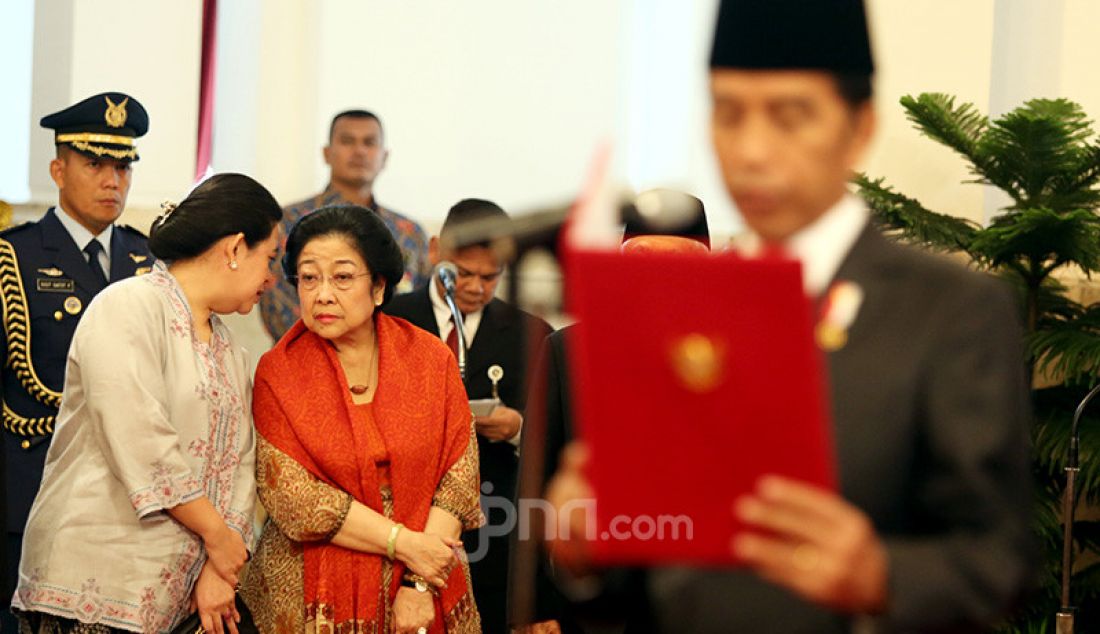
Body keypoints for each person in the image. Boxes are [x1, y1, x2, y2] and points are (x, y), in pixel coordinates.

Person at [543, 1, 1035, 632]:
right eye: (728, 114)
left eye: (789, 116)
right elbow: (649, 573)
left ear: (859, 128)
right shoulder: (674, 310)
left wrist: (880, 575)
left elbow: (1000, 561)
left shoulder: (948, 310)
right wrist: (585, 555)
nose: (751, 151)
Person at [11, 172, 282, 633]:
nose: (272, 278)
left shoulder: (228, 349)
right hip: (96, 581)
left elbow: (241, 463)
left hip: (185, 594)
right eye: (269, 257)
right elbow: (139, 437)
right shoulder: (126, 306)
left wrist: (222, 565)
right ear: (236, 249)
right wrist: (218, 536)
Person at [240, 205, 482, 633]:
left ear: (378, 287)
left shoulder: (430, 359)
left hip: (426, 579)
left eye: (343, 277)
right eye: (309, 277)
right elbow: (297, 501)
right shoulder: (278, 372)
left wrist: (420, 581)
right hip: (311, 592)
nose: (323, 294)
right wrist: (407, 546)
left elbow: (457, 480)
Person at [1, 92, 153, 632]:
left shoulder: (149, 261)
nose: (113, 180)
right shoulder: (13, 258)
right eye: (95, 164)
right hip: (31, 487)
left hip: (126, 499)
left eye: (123, 166)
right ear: (58, 170)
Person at [385, 198, 554, 634]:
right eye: (464, 273)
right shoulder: (388, 319)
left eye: (490, 276)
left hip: (492, 520)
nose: (477, 287)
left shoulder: (531, 334)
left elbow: (553, 430)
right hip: (400, 518)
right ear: (437, 250)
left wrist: (517, 427)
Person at [258, 109, 431, 341]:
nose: (359, 151)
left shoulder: (409, 233)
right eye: (347, 141)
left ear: (384, 156)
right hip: (305, 362)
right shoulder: (288, 222)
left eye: (369, 142)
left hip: (391, 365)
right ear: (327, 153)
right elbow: (276, 307)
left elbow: (419, 310)